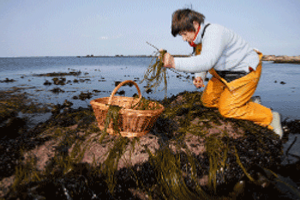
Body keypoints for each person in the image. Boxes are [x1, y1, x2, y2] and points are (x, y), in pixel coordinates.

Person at [162, 8, 283, 138]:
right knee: (207, 101)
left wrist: (174, 63)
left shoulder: (214, 33)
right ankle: (246, 102)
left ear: (195, 24)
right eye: (181, 35)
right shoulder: (198, 41)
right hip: (224, 74)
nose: (184, 39)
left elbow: (207, 61)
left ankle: (270, 116)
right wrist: (199, 76)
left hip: (245, 72)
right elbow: (200, 57)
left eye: (184, 34)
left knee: (227, 109)